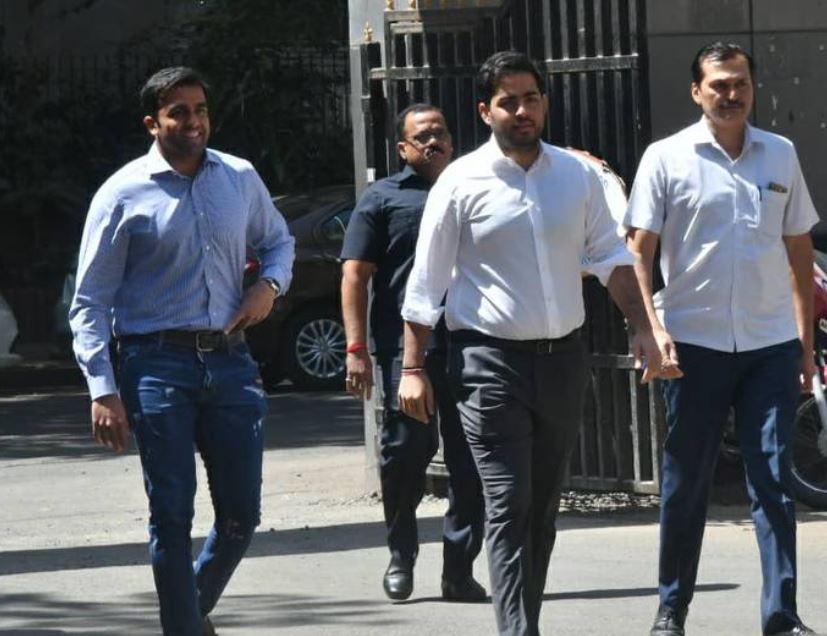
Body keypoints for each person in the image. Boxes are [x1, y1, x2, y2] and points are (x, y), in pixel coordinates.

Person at [397, 51, 670, 636]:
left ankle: (526, 621)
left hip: (563, 362)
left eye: (530, 98)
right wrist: (413, 367)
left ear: (544, 102)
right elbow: (427, 285)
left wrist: (645, 330)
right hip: (488, 362)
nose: (521, 111)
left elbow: (612, 260)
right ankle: (517, 631)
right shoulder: (459, 182)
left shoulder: (578, 177)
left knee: (543, 509)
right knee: (508, 502)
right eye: (508, 101)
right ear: (486, 110)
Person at [69, 66, 295, 635]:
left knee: (242, 515)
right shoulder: (122, 194)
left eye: (200, 110)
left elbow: (279, 242)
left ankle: (188, 613)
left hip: (230, 360)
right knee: (171, 516)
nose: (193, 122)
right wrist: (103, 389)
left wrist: (268, 287)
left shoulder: (239, 178)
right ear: (153, 123)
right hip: (155, 366)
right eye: (179, 112)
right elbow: (90, 300)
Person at [625, 42, 821, 636]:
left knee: (774, 481)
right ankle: (671, 608)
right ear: (697, 92)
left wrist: (805, 347)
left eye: (739, 83)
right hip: (693, 344)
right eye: (718, 85)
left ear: (753, 88)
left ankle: (780, 614)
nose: (730, 95)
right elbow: (638, 250)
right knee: (687, 483)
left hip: (769, 345)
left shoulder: (779, 155)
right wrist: (651, 329)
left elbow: (799, 252)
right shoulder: (666, 157)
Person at [340, 103, 486, 602]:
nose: (433, 141)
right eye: (421, 136)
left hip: (472, 344)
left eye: (440, 132)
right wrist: (356, 349)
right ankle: (401, 554)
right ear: (402, 149)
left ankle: (459, 569)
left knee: (472, 461)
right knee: (404, 454)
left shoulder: (476, 184)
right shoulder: (383, 199)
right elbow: (355, 275)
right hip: (404, 354)